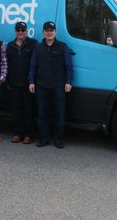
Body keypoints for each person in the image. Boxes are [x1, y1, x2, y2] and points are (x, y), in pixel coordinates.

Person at [29, 21, 73, 149]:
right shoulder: (38, 47)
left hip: (58, 86)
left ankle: (58, 140)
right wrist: (31, 81)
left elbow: (68, 67)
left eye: (51, 30)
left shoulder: (63, 47)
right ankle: (43, 139)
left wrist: (68, 82)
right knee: (42, 114)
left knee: (59, 115)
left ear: (55, 32)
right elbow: (33, 66)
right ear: (43, 32)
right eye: (47, 30)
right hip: (41, 86)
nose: (49, 33)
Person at [5, 21, 37, 144]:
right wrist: (7, 80)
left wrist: (32, 81)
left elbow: (35, 64)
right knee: (16, 110)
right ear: (15, 31)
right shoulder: (10, 45)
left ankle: (28, 134)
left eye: (22, 30)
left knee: (28, 110)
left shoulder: (33, 44)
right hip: (14, 83)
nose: (20, 32)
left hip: (28, 83)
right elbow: (6, 64)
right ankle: (18, 133)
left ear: (26, 31)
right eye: (18, 30)